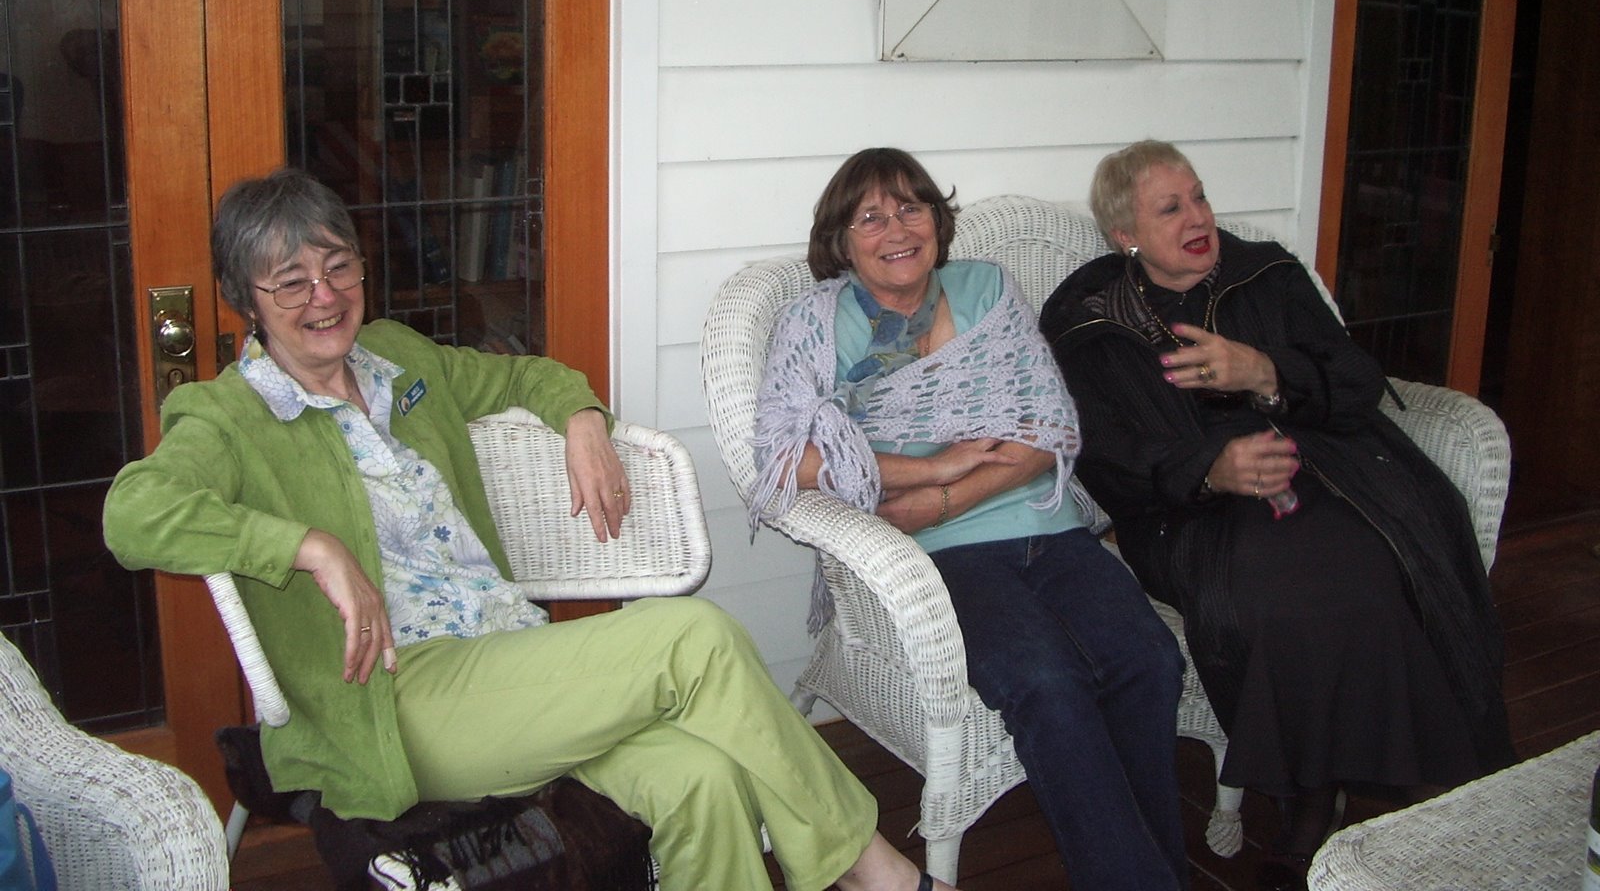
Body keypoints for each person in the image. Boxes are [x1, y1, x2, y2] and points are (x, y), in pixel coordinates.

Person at [102, 167, 957, 891]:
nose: (324, 297)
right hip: (395, 705)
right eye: (290, 282)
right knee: (691, 638)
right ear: (244, 301)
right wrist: (308, 547)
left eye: (339, 267)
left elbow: (526, 377)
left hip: (508, 657)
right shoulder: (226, 415)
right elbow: (134, 514)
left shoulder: (397, 358)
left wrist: (581, 417)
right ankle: (872, 870)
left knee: (701, 779)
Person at [1038, 141, 1515, 891]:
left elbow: (1356, 382)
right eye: (1171, 208)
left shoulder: (1265, 273)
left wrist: (1265, 373)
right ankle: (1313, 793)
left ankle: (1399, 777)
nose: (1199, 217)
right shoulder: (1088, 320)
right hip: (1190, 513)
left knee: (1370, 562)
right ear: (1125, 234)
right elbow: (1102, 453)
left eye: (1199, 196)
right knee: (1273, 588)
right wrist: (1210, 469)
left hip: (1333, 473)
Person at [752, 147, 1190, 891]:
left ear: (937, 219)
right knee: (1047, 683)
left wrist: (939, 499)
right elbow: (788, 458)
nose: (897, 229)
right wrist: (933, 467)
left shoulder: (986, 287)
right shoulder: (817, 324)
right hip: (937, 560)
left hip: (1043, 527)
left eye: (911, 207)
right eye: (871, 217)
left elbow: (1048, 426)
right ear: (841, 241)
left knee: (1149, 660)